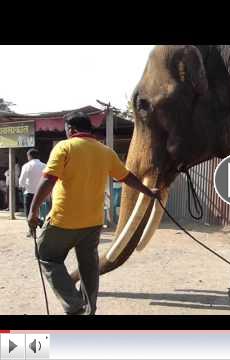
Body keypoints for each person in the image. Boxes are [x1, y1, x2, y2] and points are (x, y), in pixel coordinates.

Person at [28, 111, 162, 315]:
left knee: (46, 255)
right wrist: (148, 192)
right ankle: (89, 310)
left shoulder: (64, 147)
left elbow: (48, 180)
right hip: (92, 223)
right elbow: (127, 177)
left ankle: (74, 304)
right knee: (89, 268)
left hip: (63, 220)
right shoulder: (106, 152)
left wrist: (33, 211)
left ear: (70, 129)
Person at [19, 148, 46, 237]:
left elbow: (21, 181)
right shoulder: (44, 165)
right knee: (39, 211)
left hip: (29, 193)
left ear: (29, 156)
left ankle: (33, 230)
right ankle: (39, 223)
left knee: (29, 212)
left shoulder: (26, 166)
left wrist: (26, 186)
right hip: (41, 193)